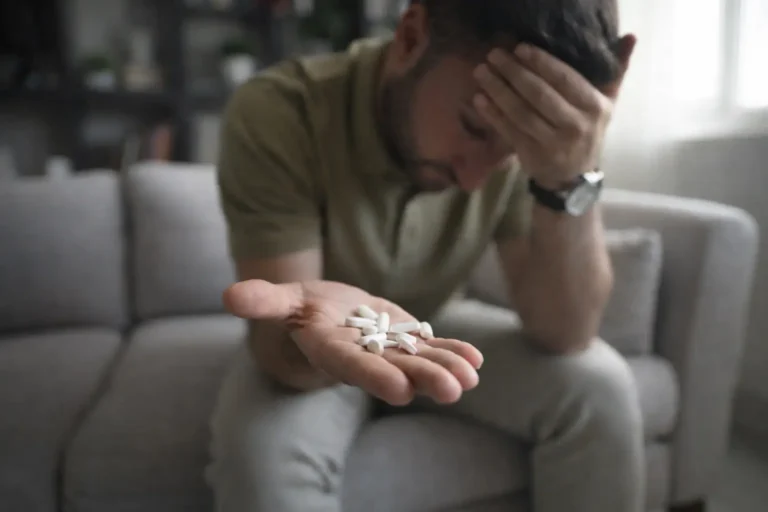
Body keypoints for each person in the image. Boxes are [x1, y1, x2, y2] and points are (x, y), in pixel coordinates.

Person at [206, 0, 645, 511]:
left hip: (440, 320)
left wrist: (570, 179)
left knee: (601, 386)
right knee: (262, 458)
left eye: (513, 153)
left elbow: (565, 332)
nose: (475, 181)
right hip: (313, 338)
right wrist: (312, 324)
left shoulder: (548, 136)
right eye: (475, 127)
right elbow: (282, 355)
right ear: (411, 36)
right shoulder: (281, 109)